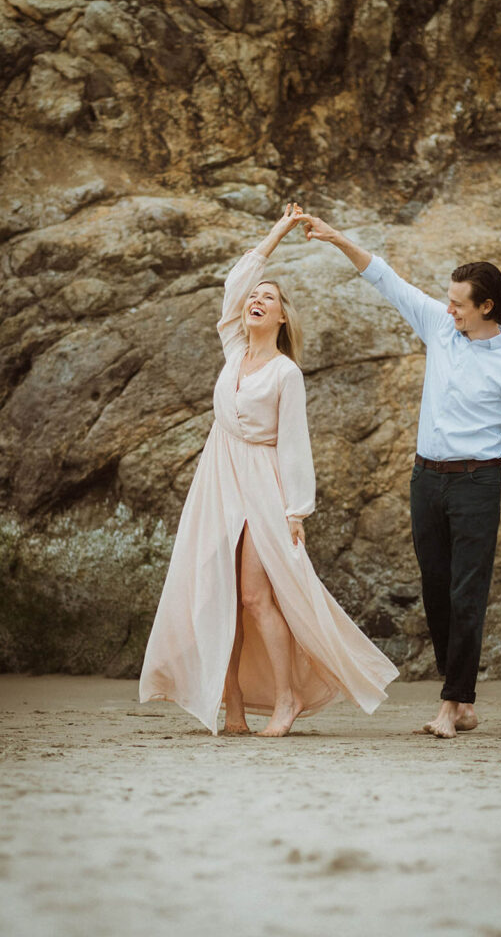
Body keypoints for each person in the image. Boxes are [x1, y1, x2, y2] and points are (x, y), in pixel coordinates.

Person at [139, 204, 399, 737]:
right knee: (220, 594)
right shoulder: (233, 350)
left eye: (269, 300)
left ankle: (287, 698)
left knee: (257, 596)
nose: (257, 300)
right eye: (256, 298)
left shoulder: (286, 373)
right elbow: (237, 281)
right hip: (217, 479)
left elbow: (295, 446)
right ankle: (231, 709)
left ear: (282, 319)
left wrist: (296, 510)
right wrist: (279, 230)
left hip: (261, 486)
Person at [300, 214, 501, 738]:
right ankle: (463, 701)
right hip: (425, 481)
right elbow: (388, 280)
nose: (449, 307)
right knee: (436, 592)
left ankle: (450, 704)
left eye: (459, 301)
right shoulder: (441, 326)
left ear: (487, 307)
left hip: (477, 484)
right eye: (449, 299)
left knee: (467, 593)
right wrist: (337, 238)